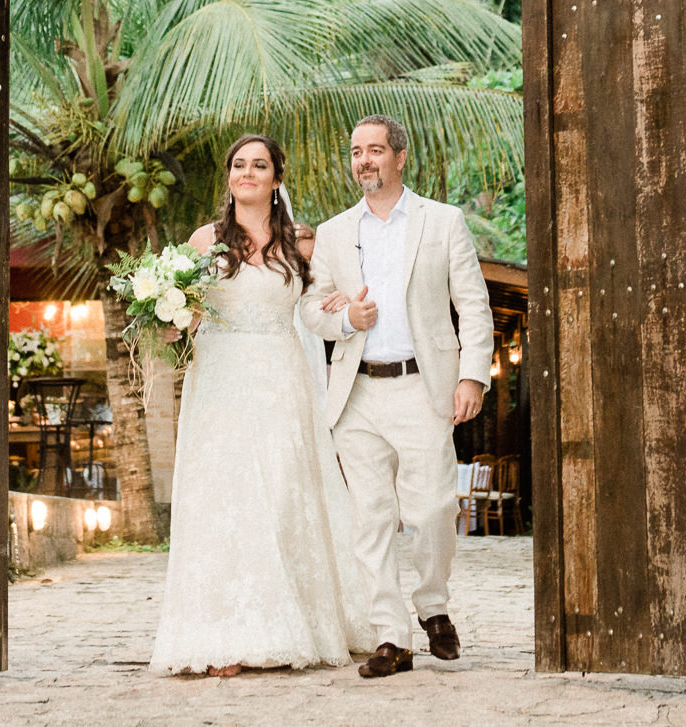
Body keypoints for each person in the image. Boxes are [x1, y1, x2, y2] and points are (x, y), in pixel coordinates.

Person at [147, 134, 372, 677]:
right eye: (239, 165)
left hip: (281, 381)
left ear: (277, 176)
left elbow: (317, 309)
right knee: (224, 498)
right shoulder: (205, 241)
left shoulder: (301, 243)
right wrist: (169, 316)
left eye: (259, 165)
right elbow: (183, 317)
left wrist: (341, 306)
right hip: (219, 381)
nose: (247, 172)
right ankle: (223, 636)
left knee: (281, 494)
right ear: (229, 176)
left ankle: (291, 624)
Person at [300, 115, 494, 679]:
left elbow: (475, 306)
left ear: (400, 157)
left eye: (376, 150)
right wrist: (346, 321)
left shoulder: (443, 221)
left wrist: (472, 376)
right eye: (357, 151)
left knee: (434, 508)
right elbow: (312, 308)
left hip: (423, 387)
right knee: (371, 519)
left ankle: (433, 605)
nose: (365, 160)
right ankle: (392, 637)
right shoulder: (335, 232)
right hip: (356, 394)